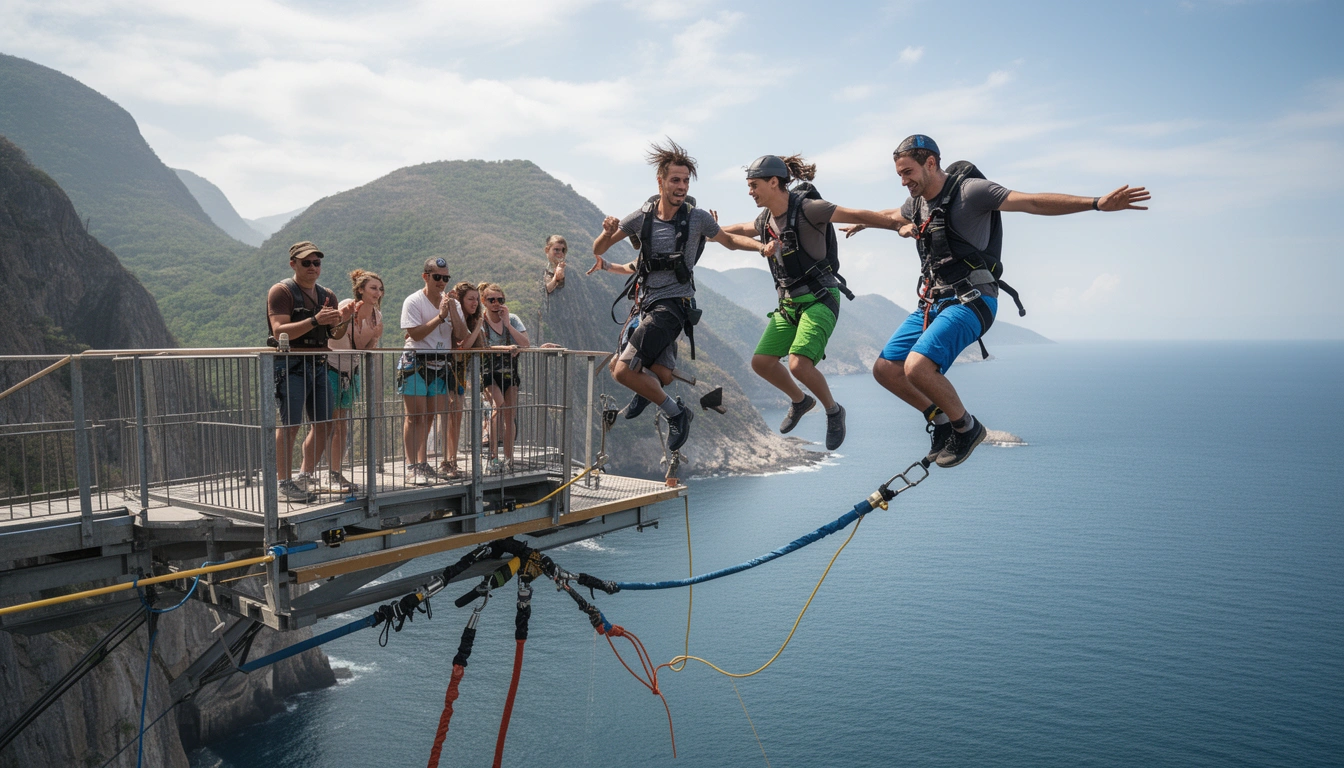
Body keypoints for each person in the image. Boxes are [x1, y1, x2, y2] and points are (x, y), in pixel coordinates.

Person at [846, 134, 1150, 468]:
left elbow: (1031, 202)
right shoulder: (918, 204)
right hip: (934, 302)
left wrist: (1096, 203)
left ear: (931, 163)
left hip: (971, 300)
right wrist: (868, 220)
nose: (903, 181)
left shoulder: (971, 191)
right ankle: (943, 422)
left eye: (907, 172)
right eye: (899, 175)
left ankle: (967, 427)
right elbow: (893, 215)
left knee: (917, 367)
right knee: (885, 370)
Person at [587, 139, 777, 453]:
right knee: (661, 374)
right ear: (660, 181)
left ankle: (677, 414)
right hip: (646, 305)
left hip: (674, 306)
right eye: (675, 180)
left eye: (686, 181)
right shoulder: (642, 217)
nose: (682, 186)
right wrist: (606, 233)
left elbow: (728, 240)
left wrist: (761, 248)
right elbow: (598, 249)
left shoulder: (697, 217)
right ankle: (649, 392)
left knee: (622, 370)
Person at [720, 154, 902, 451]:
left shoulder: (809, 209)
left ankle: (833, 411)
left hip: (820, 298)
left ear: (774, 182)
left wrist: (897, 225)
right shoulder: (765, 219)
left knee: (798, 364)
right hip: (789, 303)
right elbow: (740, 230)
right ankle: (801, 400)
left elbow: (857, 213)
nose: (750, 191)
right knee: (761, 363)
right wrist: (711, 231)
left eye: (754, 185)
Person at [266, 241, 353, 503]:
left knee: (325, 425)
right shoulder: (281, 292)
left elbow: (333, 333)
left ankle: (304, 476)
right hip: (290, 365)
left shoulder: (328, 295)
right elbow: (279, 329)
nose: (313, 267)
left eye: (317, 262)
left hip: (318, 364)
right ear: (293, 264)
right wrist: (315, 320)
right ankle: (283, 483)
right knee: (290, 425)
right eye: (307, 263)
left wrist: (343, 318)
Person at [304, 268, 384, 492]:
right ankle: (307, 474)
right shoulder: (346, 307)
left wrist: (375, 336)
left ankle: (334, 473)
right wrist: (351, 320)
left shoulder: (377, 316)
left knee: (341, 426)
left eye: (379, 289)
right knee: (323, 425)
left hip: (349, 373)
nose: (378, 292)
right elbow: (336, 336)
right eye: (373, 288)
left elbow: (364, 350)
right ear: (360, 290)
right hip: (329, 369)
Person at [398, 257, 469, 486]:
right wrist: (439, 317)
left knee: (430, 415)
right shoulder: (413, 301)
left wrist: (452, 312)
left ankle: (423, 462)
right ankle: (412, 466)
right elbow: (415, 334)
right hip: (415, 362)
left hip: (439, 364)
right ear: (425, 276)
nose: (442, 282)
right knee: (415, 416)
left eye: (446, 278)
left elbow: (460, 335)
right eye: (437, 277)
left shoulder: (452, 304)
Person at [479, 282, 529, 472]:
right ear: (484, 301)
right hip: (488, 372)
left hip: (510, 372)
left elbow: (525, 343)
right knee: (498, 407)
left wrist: (507, 324)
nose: (496, 303)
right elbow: (482, 347)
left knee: (510, 414)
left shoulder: (513, 319)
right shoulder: (481, 322)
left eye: (500, 300)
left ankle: (508, 458)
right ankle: (493, 457)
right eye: (491, 300)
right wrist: (506, 348)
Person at [441, 280, 485, 478]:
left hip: (460, 376)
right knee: (449, 416)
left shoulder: (472, 321)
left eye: (477, 299)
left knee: (456, 417)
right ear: (460, 300)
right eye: (470, 299)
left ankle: (451, 459)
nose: (475, 303)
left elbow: (482, 349)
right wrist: (478, 327)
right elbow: (462, 347)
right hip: (447, 371)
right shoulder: (454, 321)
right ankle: (447, 460)